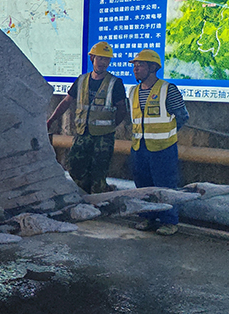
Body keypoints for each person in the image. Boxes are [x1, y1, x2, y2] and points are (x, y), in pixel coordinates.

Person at [47, 42, 127, 194]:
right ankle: (85, 195)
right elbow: (66, 102)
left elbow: (122, 109)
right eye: (100, 58)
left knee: (98, 173)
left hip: (103, 138)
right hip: (82, 134)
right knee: (74, 166)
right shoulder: (82, 80)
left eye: (106, 59)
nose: (103, 62)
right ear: (92, 58)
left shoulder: (115, 83)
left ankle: (98, 200)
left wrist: (110, 126)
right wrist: (51, 120)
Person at [128, 49, 189, 236]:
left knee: (165, 186)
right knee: (143, 185)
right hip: (139, 148)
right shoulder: (133, 91)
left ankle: (169, 221)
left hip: (163, 149)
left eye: (140, 65)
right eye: (135, 65)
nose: (135, 68)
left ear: (153, 67)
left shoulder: (168, 89)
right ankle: (147, 217)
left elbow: (182, 116)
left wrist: (166, 134)